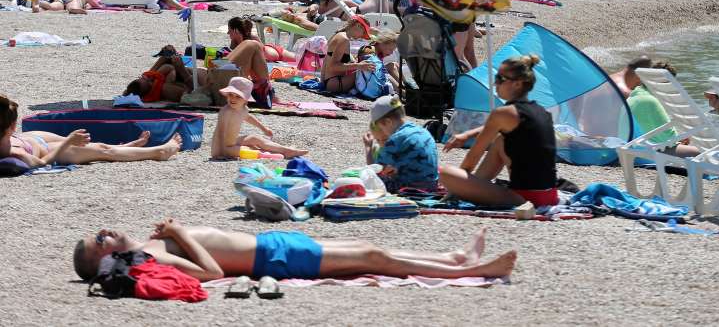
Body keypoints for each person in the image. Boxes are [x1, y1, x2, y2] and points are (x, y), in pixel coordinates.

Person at [73, 219, 517, 282]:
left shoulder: (150, 244)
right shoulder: (151, 257)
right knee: (374, 260)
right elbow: (210, 273)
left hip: (274, 245)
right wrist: (182, 233)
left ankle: (452, 258)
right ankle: (469, 273)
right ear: (105, 260)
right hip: (275, 259)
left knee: (369, 247)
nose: (105, 231)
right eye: (99, 240)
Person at [439, 55, 559, 207]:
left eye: (500, 79)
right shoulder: (542, 111)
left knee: (445, 173)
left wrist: (458, 186)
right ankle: (476, 186)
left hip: (524, 199)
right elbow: (501, 127)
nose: (495, 83)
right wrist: (469, 134)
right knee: (500, 141)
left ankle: (460, 193)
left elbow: (471, 159)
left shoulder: (502, 114)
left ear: (517, 84)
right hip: (550, 195)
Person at [1, 94, 182, 168]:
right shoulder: (16, 154)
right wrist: (67, 142)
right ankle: (160, 152)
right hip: (49, 151)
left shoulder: (9, 137)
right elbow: (41, 163)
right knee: (103, 150)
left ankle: (126, 146)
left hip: (27, 139)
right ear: (12, 127)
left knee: (85, 142)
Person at [210, 77, 308, 160]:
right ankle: (270, 153)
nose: (233, 99)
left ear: (246, 100)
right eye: (231, 95)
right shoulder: (226, 112)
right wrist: (219, 153)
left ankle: (285, 149)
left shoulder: (243, 109)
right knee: (250, 150)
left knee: (255, 138)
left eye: (238, 96)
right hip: (224, 147)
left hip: (234, 141)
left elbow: (248, 117)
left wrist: (263, 129)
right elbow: (220, 133)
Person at [361, 95, 438, 192]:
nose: (383, 132)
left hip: (411, 188)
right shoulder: (422, 130)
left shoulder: (395, 139)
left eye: (382, 128)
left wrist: (368, 148)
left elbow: (374, 171)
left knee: (367, 180)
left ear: (388, 122)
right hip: (432, 185)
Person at [627, 61, 700, 158]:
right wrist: (679, 139)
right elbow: (667, 138)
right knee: (700, 152)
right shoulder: (651, 101)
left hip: (633, 146)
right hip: (649, 151)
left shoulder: (634, 95)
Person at [124, 45, 203, 102]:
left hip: (193, 74)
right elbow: (199, 94)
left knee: (168, 55)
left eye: (142, 78)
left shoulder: (150, 76)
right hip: (200, 81)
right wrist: (182, 71)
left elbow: (164, 59)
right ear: (150, 86)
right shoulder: (165, 89)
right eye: (148, 80)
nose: (147, 78)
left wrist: (170, 52)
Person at [320, 16, 375, 93]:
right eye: (363, 32)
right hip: (335, 83)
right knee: (369, 72)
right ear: (358, 25)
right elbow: (333, 66)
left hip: (328, 82)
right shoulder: (344, 39)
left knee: (366, 68)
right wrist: (359, 66)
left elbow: (328, 62)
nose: (362, 36)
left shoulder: (339, 35)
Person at [227, 17, 295, 64]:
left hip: (278, 52)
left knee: (300, 60)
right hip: (273, 56)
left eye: (229, 30)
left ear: (236, 31)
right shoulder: (234, 41)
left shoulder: (253, 39)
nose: (228, 33)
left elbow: (260, 57)